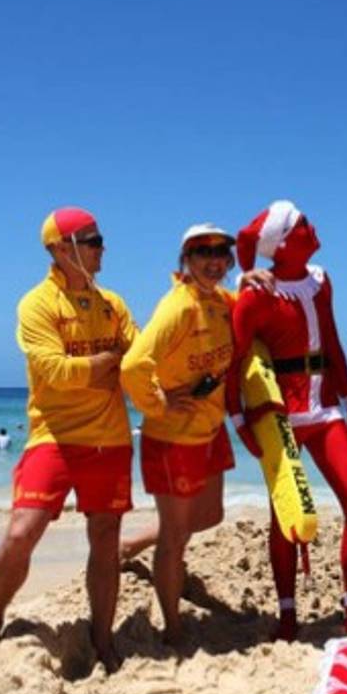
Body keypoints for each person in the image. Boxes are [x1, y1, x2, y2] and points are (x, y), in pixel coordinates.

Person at [0, 207, 136, 673]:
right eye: (91, 240)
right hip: (53, 435)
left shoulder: (113, 304)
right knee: (23, 530)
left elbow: (139, 360)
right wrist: (112, 358)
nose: (101, 247)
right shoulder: (37, 304)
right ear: (59, 248)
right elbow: (56, 373)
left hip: (109, 438)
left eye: (100, 238)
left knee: (105, 538)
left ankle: (103, 638)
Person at [226, 199, 347, 641]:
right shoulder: (255, 295)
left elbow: (332, 340)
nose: (312, 229)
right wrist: (239, 423)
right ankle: (288, 613)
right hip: (281, 417)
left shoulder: (320, 281)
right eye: (303, 226)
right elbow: (233, 365)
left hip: (326, 406)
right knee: (286, 515)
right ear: (285, 242)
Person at [118, 224, 238, 647]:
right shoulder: (179, 307)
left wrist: (261, 281)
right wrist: (160, 404)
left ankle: (130, 545)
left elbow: (255, 310)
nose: (215, 260)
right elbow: (133, 366)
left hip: (210, 430)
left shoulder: (222, 301)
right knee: (175, 536)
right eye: (203, 252)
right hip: (173, 440)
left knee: (209, 516)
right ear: (185, 258)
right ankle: (173, 629)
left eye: (223, 251)